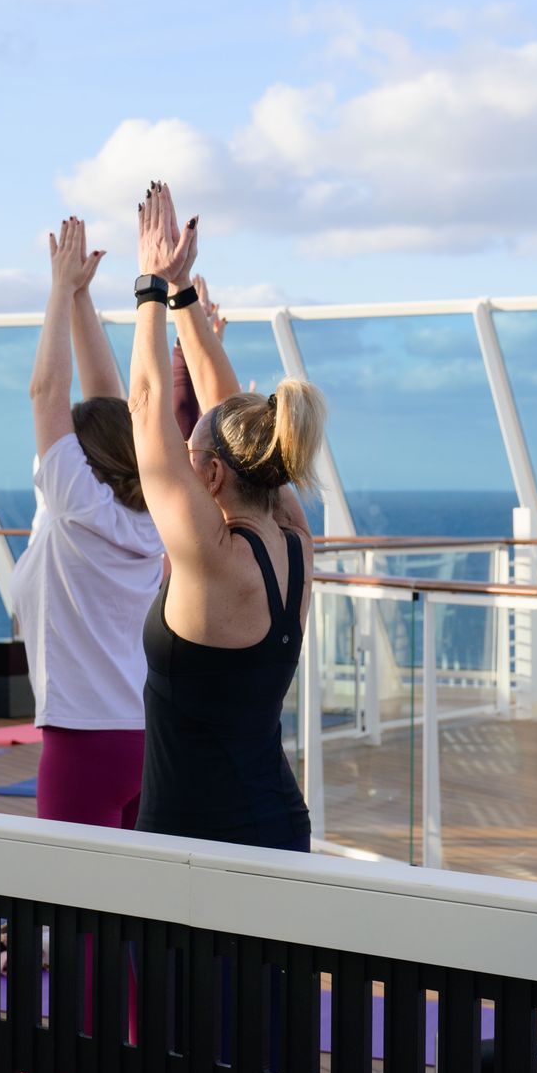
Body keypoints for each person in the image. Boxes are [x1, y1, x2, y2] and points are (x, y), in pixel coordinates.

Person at [128, 181, 326, 853]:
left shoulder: (212, 560)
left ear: (211, 474)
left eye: (189, 460)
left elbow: (148, 404)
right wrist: (184, 300)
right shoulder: (295, 539)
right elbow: (231, 408)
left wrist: (150, 286)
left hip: (199, 849)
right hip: (277, 825)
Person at [11, 215, 165, 829]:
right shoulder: (148, 513)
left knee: (73, 910)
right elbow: (110, 402)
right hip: (143, 736)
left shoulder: (79, 508)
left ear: (83, 463)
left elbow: (47, 392)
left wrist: (58, 288)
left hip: (83, 742)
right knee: (124, 911)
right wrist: (80, 296)